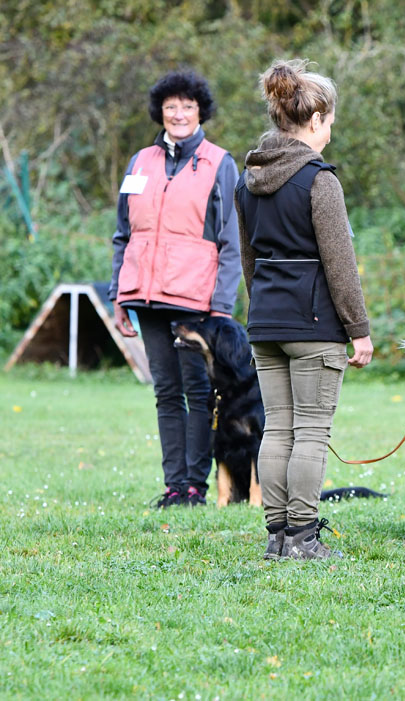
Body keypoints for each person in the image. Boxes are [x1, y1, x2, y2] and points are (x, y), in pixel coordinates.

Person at [235, 59, 373, 561]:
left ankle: (276, 537)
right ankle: (302, 539)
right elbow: (341, 264)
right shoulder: (320, 181)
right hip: (314, 324)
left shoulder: (247, 180)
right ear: (314, 120)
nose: (330, 131)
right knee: (311, 432)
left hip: (266, 322)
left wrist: (263, 310)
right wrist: (359, 330)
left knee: (278, 428)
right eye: (330, 122)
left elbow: (249, 262)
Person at [109, 71, 240, 508]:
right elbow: (123, 235)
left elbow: (231, 240)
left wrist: (221, 306)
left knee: (198, 393)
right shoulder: (139, 161)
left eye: (187, 106)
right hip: (145, 297)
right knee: (165, 391)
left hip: (195, 300)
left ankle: (195, 488)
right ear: (159, 113)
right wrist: (118, 295)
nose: (179, 114)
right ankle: (173, 486)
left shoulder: (220, 163)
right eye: (171, 107)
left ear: (200, 110)